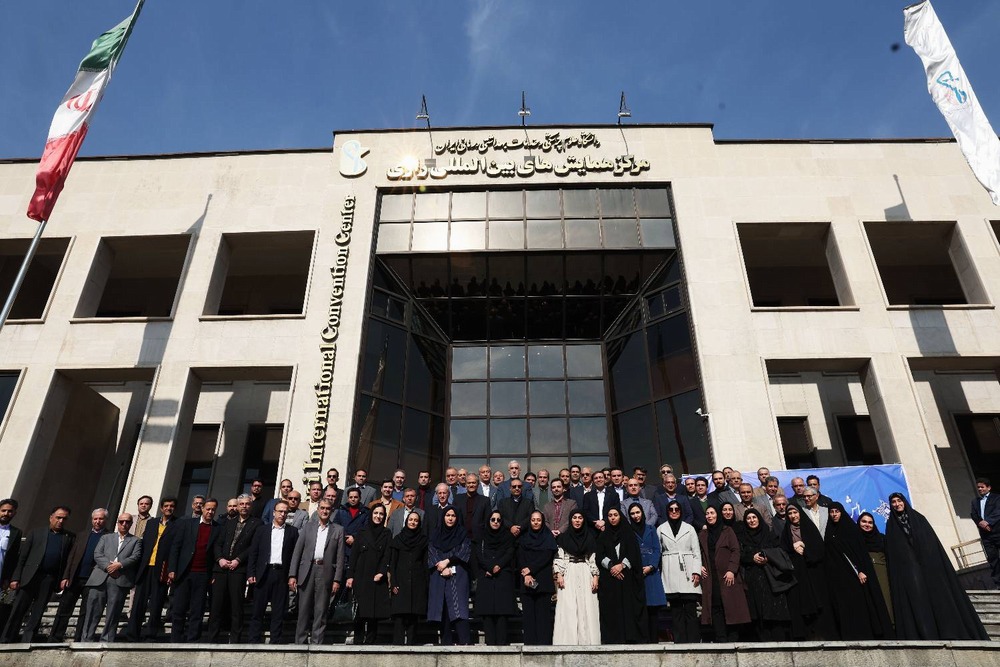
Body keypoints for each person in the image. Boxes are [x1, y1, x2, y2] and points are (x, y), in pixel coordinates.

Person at [884, 492, 988, 640]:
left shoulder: (919, 519)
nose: (897, 504)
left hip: (930, 568)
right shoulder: (891, 525)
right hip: (910, 571)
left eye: (899, 501)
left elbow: (930, 543)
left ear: (904, 501)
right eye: (893, 502)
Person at [3, 506, 75, 643]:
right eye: (58, 517)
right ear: (51, 517)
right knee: (18, 609)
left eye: (64, 519)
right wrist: (15, 577)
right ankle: (7, 639)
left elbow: (68, 560)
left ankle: (27, 640)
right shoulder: (36, 533)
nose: (61, 521)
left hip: (49, 579)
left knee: (38, 611)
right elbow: (22, 557)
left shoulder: (69, 537)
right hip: (29, 577)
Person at [823, 502, 893, 640]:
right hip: (839, 578)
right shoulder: (829, 531)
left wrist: (861, 570)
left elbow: (859, 553)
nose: (834, 514)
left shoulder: (851, 530)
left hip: (856, 576)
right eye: (832, 512)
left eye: (837, 511)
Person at [289, 499, 345, 645]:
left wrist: (337, 579)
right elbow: (297, 551)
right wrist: (292, 574)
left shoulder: (338, 530)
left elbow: (340, 557)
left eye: (328, 509)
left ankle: (317, 643)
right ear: (318, 509)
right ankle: (300, 642)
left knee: (321, 610)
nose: (325, 511)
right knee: (303, 609)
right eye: (322, 508)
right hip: (307, 570)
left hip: (325, 571)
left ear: (331, 511)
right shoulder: (308, 527)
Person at [81, 512, 142, 643]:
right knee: (92, 611)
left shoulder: (136, 541)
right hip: (99, 578)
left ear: (131, 524)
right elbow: (97, 554)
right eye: (121, 521)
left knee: (113, 612)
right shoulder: (106, 537)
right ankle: (86, 639)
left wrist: (119, 565)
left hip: (120, 579)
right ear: (117, 523)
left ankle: (107, 640)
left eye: (127, 522)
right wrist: (109, 567)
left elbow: (135, 556)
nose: (124, 524)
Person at [168, 499, 222, 643]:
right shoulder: (188, 524)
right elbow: (176, 547)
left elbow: (217, 551)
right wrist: (172, 569)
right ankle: (176, 640)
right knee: (179, 608)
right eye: (208, 509)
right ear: (202, 508)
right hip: (184, 572)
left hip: (203, 574)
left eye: (213, 510)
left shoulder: (218, 528)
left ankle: (193, 640)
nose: (210, 512)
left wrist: (214, 573)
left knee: (197, 609)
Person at [208, 494, 260, 643]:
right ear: (237, 506)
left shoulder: (257, 523)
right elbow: (218, 544)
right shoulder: (228, 523)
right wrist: (220, 559)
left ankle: (235, 639)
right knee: (216, 605)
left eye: (247, 504)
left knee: (236, 606)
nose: (244, 506)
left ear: (251, 506)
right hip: (221, 569)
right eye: (241, 504)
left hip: (239, 570)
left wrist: (238, 559)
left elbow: (253, 547)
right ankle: (212, 639)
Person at [52, 508, 109, 642]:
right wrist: (66, 576)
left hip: (93, 580)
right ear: (92, 520)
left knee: (86, 612)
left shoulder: (109, 537)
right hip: (75, 578)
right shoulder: (82, 535)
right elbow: (71, 557)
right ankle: (55, 638)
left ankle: (79, 639)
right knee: (64, 609)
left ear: (106, 520)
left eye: (101, 519)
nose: (97, 521)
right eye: (95, 519)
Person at [246, 500, 298, 644]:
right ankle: (253, 640)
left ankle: (276, 641)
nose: (282, 514)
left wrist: (292, 575)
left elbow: (295, 556)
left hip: (281, 574)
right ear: (274, 512)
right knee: (258, 610)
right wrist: (251, 573)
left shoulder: (292, 532)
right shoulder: (262, 530)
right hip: (263, 573)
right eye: (280, 511)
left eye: (285, 512)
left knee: (278, 611)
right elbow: (253, 553)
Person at [779, 504, 834, 640]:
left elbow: (819, 550)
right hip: (797, 576)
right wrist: (793, 548)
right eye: (790, 513)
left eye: (795, 512)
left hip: (813, 573)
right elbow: (783, 552)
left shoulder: (809, 528)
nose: (793, 516)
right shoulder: (786, 531)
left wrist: (805, 548)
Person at [126, 496, 177, 641]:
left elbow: (175, 549)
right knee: (138, 603)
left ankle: (150, 635)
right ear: (161, 508)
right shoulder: (152, 523)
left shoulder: (178, 524)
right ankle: (132, 634)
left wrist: (172, 570)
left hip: (161, 569)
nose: (168, 508)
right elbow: (143, 545)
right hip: (145, 567)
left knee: (156, 604)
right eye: (166, 506)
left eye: (171, 506)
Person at [698, 505, 750, 642]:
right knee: (715, 606)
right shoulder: (702, 534)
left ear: (718, 515)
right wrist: (699, 565)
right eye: (707, 513)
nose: (709, 516)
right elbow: (698, 552)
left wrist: (732, 570)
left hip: (727, 575)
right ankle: (721, 638)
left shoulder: (727, 531)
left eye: (712, 513)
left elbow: (735, 550)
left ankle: (733, 638)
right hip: (711, 577)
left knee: (731, 605)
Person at [737, 508, 791, 642]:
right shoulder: (742, 537)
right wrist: (752, 557)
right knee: (758, 612)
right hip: (753, 577)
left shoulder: (769, 534)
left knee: (774, 610)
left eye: (754, 517)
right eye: (748, 518)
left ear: (759, 519)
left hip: (771, 577)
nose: (752, 520)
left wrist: (768, 557)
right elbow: (740, 554)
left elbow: (779, 550)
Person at [596, 507, 647, 644]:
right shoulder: (603, 536)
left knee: (628, 608)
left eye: (615, 515)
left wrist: (622, 566)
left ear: (620, 517)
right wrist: (612, 567)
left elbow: (633, 553)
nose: (613, 518)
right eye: (610, 515)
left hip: (627, 578)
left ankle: (629, 636)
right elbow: (599, 555)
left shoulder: (628, 534)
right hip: (610, 579)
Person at [552, 509, 600, 645]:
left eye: (580, 518)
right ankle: (568, 642)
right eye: (574, 518)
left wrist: (595, 576)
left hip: (585, 572)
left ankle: (587, 642)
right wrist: (559, 574)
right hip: (569, 572)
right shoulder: (563, 538)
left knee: (586, 606)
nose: (577, 520)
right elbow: (559, 557)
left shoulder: (589, 538)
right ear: (570, 520)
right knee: (569, 606)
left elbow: (592, 559)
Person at [656, 500, 701, 643]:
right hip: (670, 570)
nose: (674, 512)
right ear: (667, 511)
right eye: (671, 509)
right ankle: (680, 643)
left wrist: (696, 571)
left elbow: (696, 552)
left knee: (690, 609)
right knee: (676, 611)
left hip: (688, 570)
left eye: (677, 509)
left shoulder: (689, 528)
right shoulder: (661, 529)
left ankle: (693, 642)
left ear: (681, 511)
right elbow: (658, 551)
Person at [427, 507, 472, 645]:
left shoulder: (462, 533)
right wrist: (442, 567)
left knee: (459, 608)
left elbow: (464, 551)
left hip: (458, 575)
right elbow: (432, 551)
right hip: (439, 574)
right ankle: (446, 643)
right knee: (443, 607)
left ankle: (465, 641)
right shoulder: (436, 534)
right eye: (447, 515)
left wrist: (447, 562)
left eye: (453, 515)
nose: (450, 518)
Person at [347, 503, 391, 644]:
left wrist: (382, 572)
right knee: (360, 611)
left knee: (374, 612)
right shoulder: (362, 532)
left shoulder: (387, 533)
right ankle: (358, 641)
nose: (378, 516)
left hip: (377, 577)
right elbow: (354, 555)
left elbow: (387, 555)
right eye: (376, 513)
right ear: (371, 514)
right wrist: (350, 576)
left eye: (381, 514)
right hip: (362, 575)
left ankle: (371, 641)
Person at [472, 510, 517, 645]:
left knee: (502, 613)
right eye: (493, 519)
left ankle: (502, 645)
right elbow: (478, 554)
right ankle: (490, 645)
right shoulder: (482, 536)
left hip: (503, 576)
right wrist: (490, 567)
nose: (496, 522)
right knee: (487, 613)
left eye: (498, 520)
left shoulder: (508, 536)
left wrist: (498, 566)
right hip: (486, 576)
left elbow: (510, 552)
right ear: (488, 521)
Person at [387, 511, 429, 645]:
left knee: (413, 616)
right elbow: (393, 563)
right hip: (400, 581)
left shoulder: (423, 540)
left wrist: (426, 584)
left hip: (417, 581)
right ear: (406, 521)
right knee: (400, 616)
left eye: (416, 520)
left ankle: (412, 644)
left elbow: (425, 563)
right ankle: (398, 644)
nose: (413, 522)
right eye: (411, 520)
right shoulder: (398, 539)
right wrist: (393, 583)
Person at [517, 510, 557, 645]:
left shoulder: (548, 537)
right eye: (533, 520)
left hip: (543, 581)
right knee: (528, 616)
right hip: (526, 580)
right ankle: (530, 646)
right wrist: (527, 573)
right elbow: (520, 557)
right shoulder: (524, 538)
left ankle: (544, 646)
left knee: (543, 617)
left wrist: (531, 569)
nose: (536, 522)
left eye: (538, 520)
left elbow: (546, 556)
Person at [629, 503, 665, 642]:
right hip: (636, 573)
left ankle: (654, 640)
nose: (635, 516)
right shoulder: (628, 531)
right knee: (639, 609)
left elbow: (657, 549)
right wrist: (637, 567)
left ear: (642, 513)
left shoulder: (651, 529)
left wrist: (651, 566)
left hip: (651, 573)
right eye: (632, 513)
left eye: (637, 512)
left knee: (653, 610)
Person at [857, 512, 893, 624]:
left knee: (886, 601)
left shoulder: (881, 538)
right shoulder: (854, 539)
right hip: (863, 576)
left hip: (881, 574)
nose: (867, 525)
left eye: (870, 522)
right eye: (864, 521)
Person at [0, 499, 23, 639]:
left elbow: (14, 557)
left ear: (14, 513)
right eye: (3, 510)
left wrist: (8, 579)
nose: (6, 513)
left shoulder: (15, 533)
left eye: (9, 511)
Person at [972, 477, 1000, 589]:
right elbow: (973, 515)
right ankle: (998, 584)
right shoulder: (975, 502)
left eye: (982, 487)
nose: (980, 489)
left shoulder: (997, 498)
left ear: (988, 488)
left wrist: (988, 522)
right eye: (978, 487)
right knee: (993, 558)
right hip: (986, 536)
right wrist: (981, 523)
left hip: (997, 531)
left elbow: (998, 512)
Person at [454, 474, 491, 542]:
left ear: (478, 484)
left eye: (473, 483)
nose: (471, 485)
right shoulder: (458, 499)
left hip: (478, 538)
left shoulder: (485, 500)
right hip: (460, 538)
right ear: (465, 485)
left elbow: (487, 521)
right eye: (469, 483)